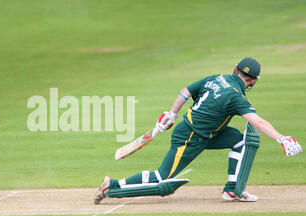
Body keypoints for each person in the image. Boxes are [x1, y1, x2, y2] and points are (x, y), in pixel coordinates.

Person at [94, 57, 302, 204]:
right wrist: (282, 139)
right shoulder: (236, 98)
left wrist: (172, 113)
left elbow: (186, 91)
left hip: (209, 133)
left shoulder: (215, 78)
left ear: (235, 69)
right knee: (161, 177)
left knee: (243, 140)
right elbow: (259, 122)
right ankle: (112, 186)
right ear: (253, 81)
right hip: (190, 136)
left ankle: (232, 191)